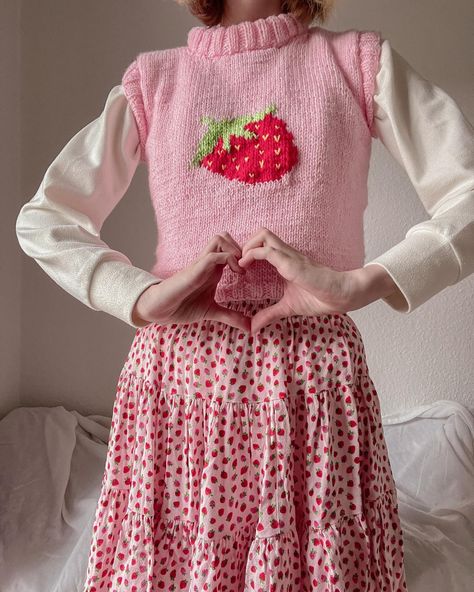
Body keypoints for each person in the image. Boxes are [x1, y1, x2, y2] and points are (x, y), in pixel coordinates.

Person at [15, 0, 474, 590]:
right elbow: (45, 219)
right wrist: (139, 295)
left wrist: (364, 283)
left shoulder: (355, 64)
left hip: (311, 388)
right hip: (180, 389)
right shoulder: (155, 81)